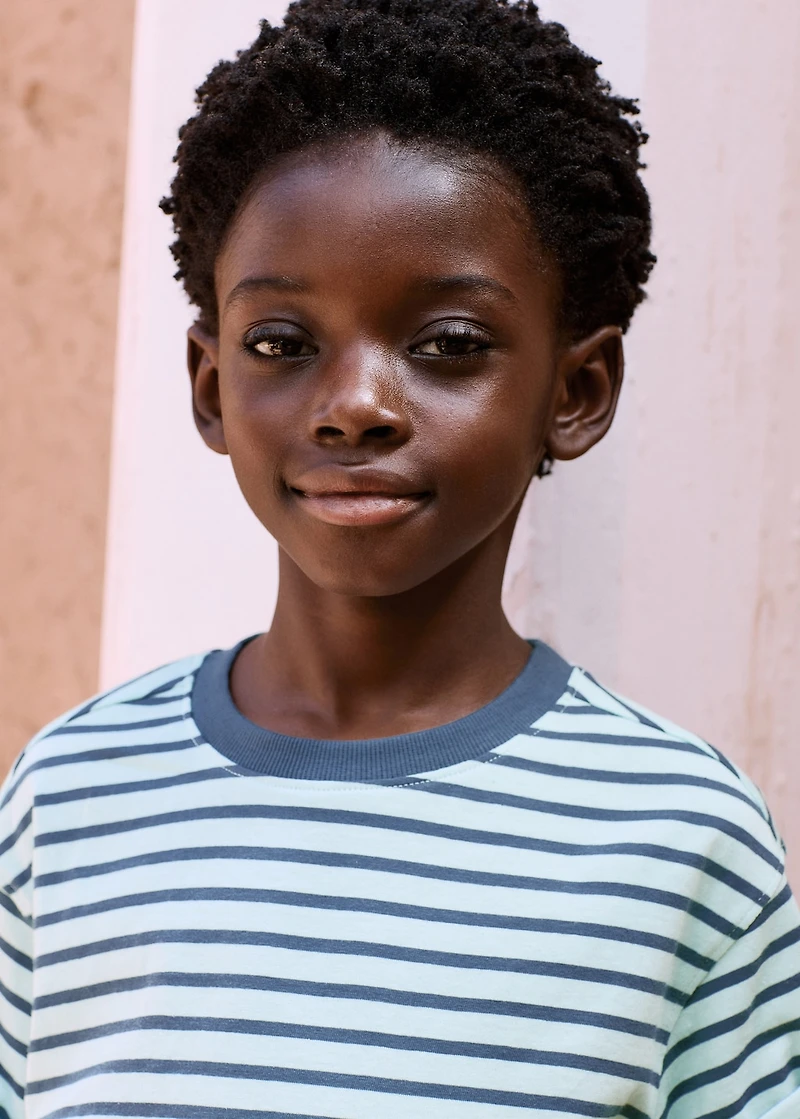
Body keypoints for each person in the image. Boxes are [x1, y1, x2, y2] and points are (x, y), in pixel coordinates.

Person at [2, 0, 798, 1115]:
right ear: (210, 384)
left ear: (575, 393)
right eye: (281, 343)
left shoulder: (679, 839)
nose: (356, 406)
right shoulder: (72, 798)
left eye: (446, 346)